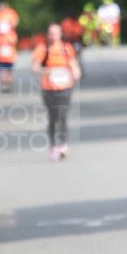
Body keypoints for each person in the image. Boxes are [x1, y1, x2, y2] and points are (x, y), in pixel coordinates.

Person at [31, 24, 81, 161]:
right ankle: (53, 145)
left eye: (55, 33)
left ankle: (63, 145)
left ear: (60, 34)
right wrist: (47, 71)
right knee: (53, 118)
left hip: (65, 87)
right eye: (51, 33)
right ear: (48, 35)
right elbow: (34, 68)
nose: (53, 36)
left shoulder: (66, 48)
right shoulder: (42, 49)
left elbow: (73, 63)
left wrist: (76, 72)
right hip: (48, 88)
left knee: (63, 115)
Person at [0, 1, 19, 92]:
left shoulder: (11, 13)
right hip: (0, 44)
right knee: (1, 66)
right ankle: (4, 83)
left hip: (9, 44)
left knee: (9, 66)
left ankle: (8, 82)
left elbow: (15, 22)